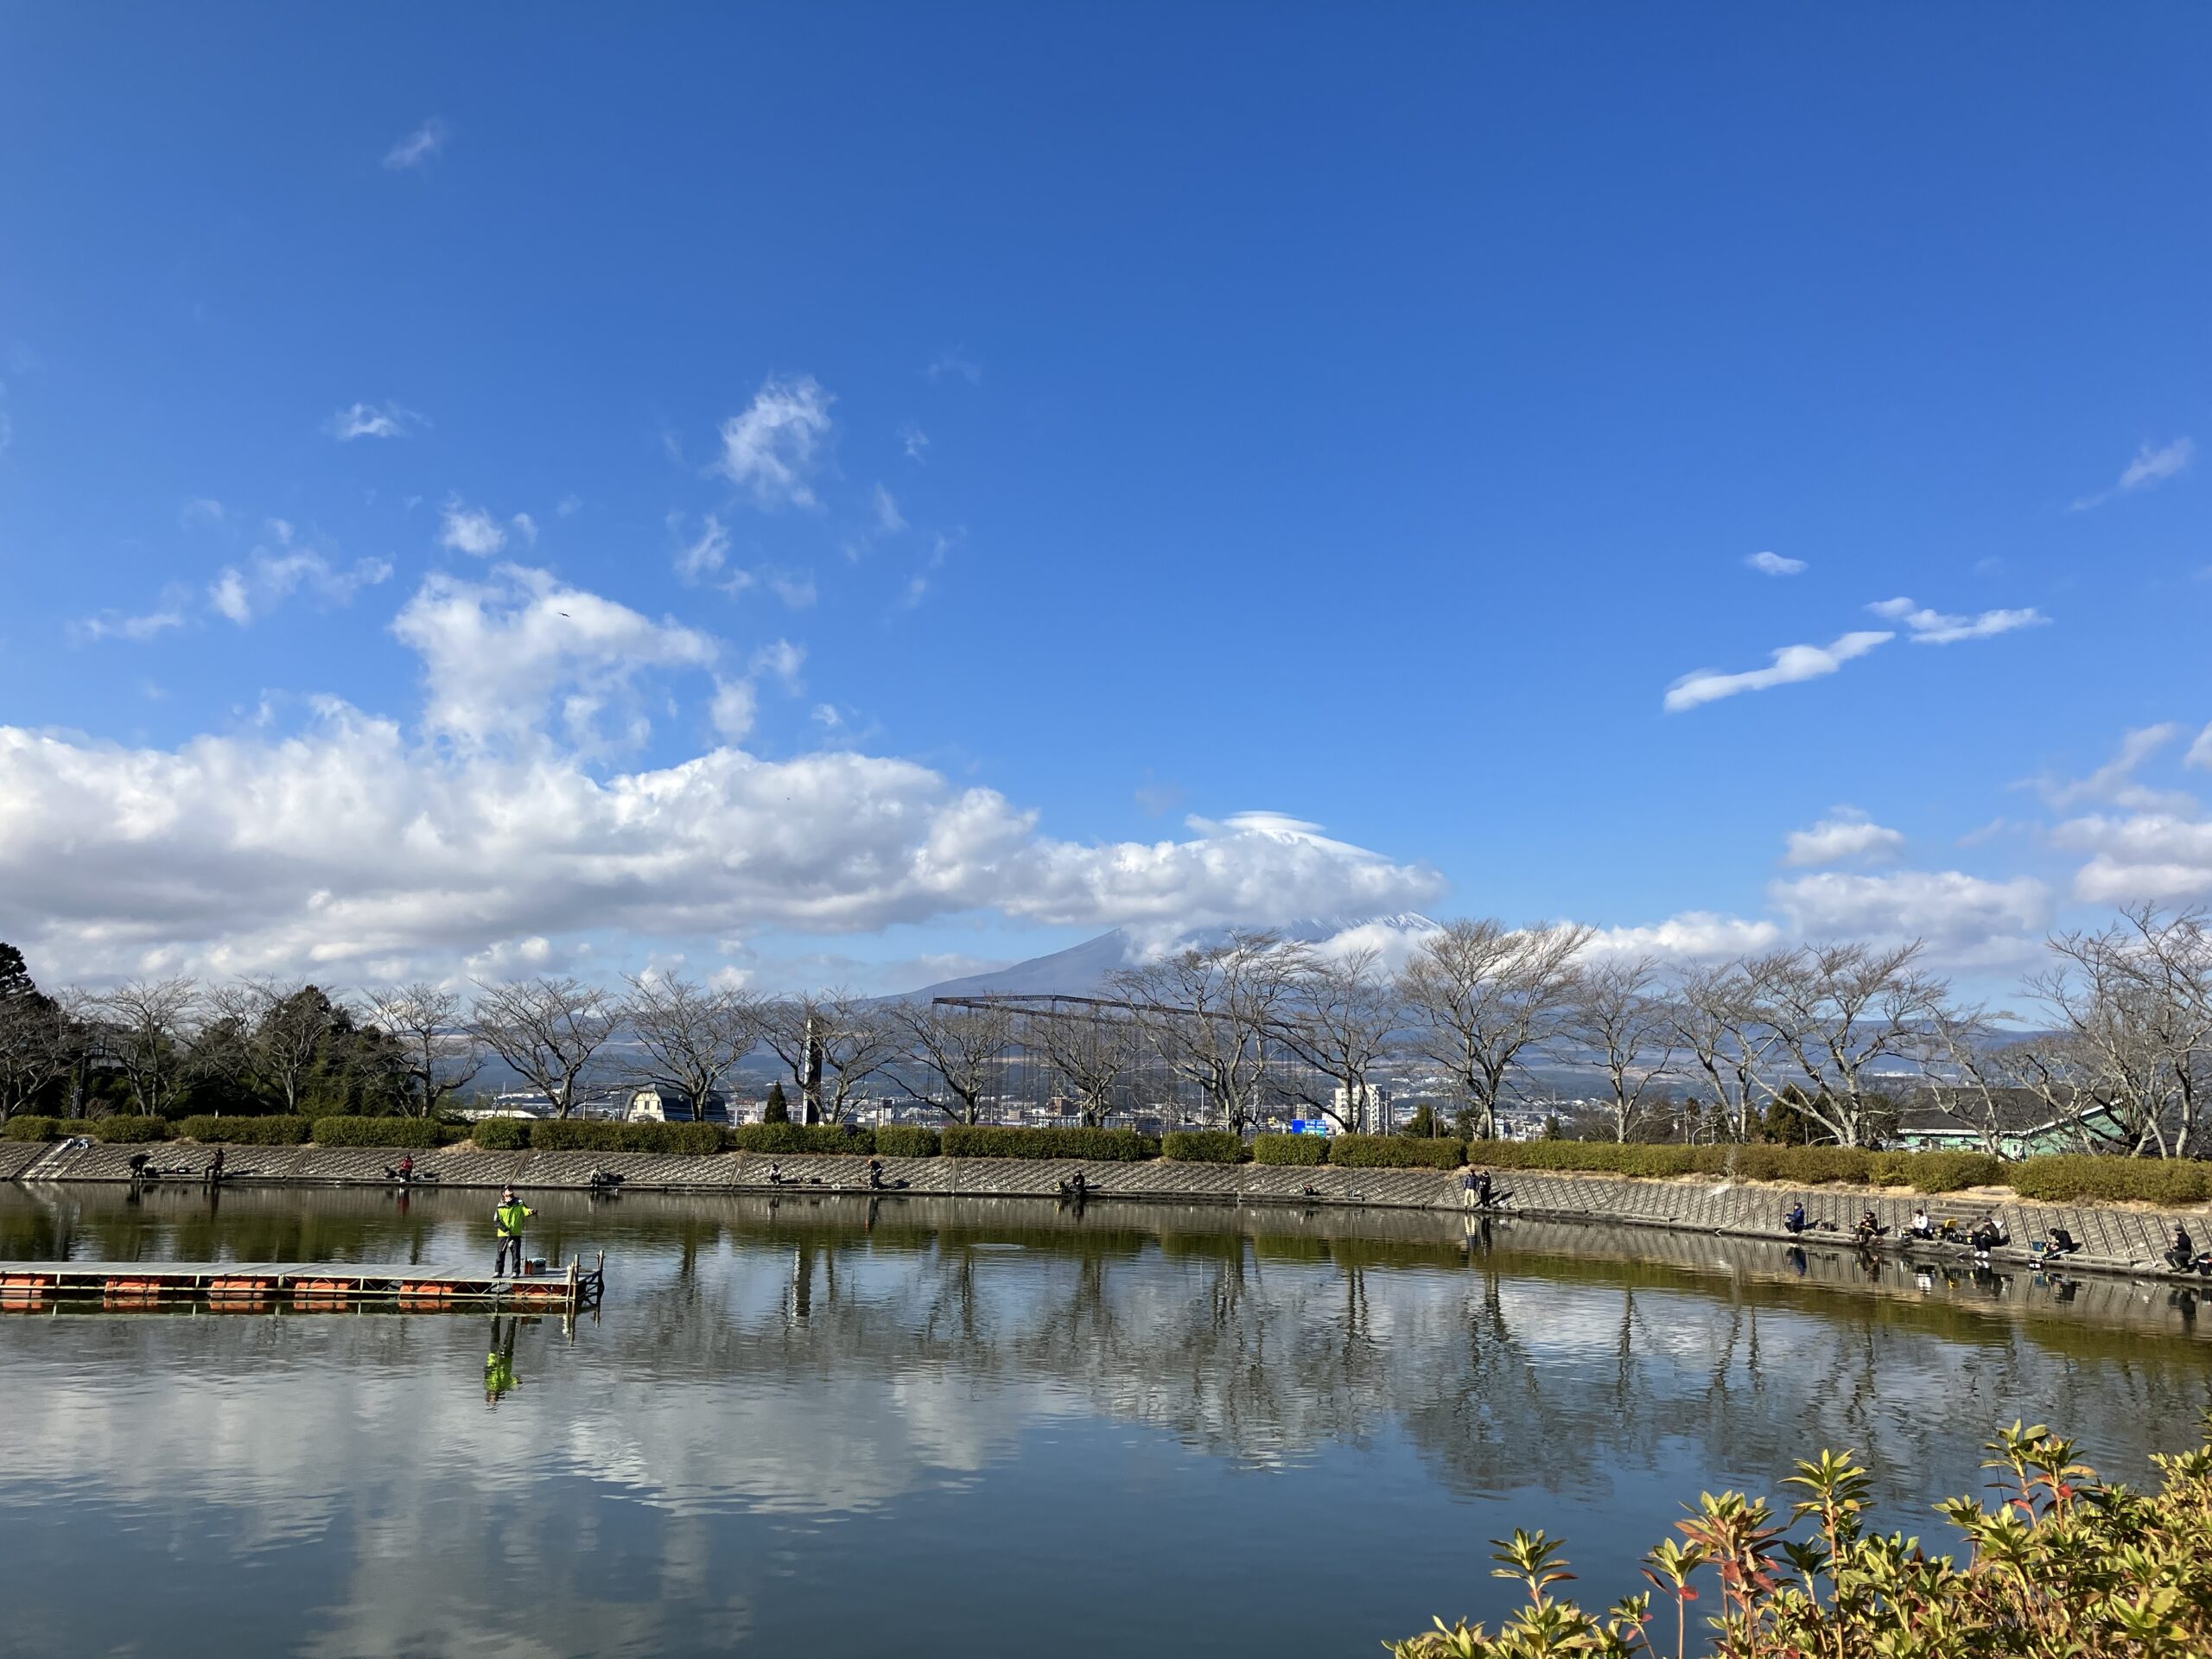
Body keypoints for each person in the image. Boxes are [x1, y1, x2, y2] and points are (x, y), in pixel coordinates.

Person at [493, 1187, 533, 1277]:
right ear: (503, 1194)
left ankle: (515, 1272)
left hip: (515, 1233)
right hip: (503, 1234)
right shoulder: (500, 1206)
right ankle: (498, 1272)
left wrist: (530, 1212)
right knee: (500, 1253)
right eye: (508, 1192)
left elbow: (525, 1211)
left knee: (516, 1254)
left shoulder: (519, 1203)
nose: (510, 1194)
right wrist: (505, 1229)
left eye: (511, 1192)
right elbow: (496, 1220)